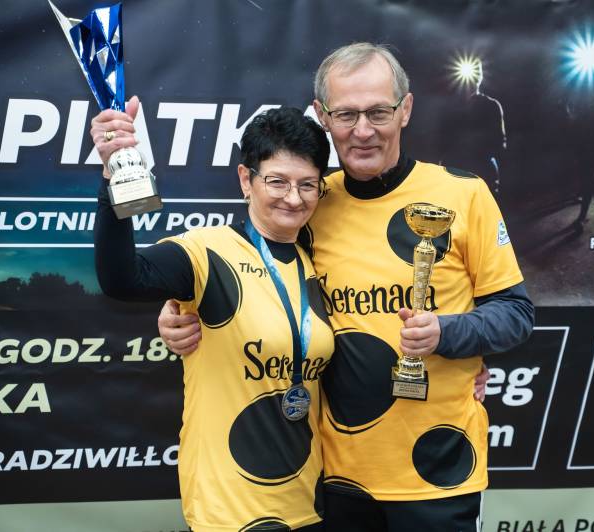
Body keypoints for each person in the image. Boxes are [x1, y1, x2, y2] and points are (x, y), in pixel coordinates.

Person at [161, 43, 534, 531]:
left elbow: (515, 314)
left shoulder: (464, 195)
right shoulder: (309, 203)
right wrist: (179, 312)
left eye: (378, 112)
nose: (363, 130)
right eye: (346, 114)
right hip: (334, 479)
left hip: (439, 472)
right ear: (323, 117)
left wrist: (447, 333)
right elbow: (244, 276)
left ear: (405, 110)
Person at [91, 103, 333, 531]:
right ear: (245, 179)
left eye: (307, 185)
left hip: (308, 502)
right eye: (277, 181)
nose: (294, 198)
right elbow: (123, 279)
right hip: (229, 509)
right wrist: (114, 177)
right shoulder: (206, 251)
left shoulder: (315, 261)